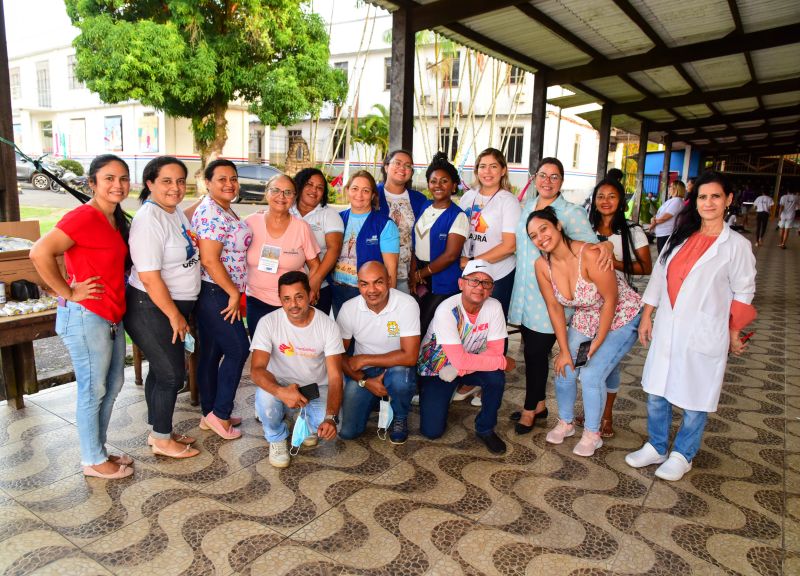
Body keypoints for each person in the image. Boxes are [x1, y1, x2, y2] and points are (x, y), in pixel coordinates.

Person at [626, 171, 757, 481]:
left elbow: (744, 291)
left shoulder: (736, 245)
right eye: (702, 197)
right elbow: (659, 276)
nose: (708, 202)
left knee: (695, 396)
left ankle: (684, 454)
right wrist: (647, 314)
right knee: (656, 390)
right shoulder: (680, 235)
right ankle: (657, 445)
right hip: (669, 326)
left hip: (705, 329)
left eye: (715, 196)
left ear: (728, 201)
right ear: (694, 201)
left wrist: (734, 332)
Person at [30, 154, 134, 479]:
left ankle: (98, 449)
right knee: (93, 389)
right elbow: (40, 252)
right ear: (92, 183)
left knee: (114, 383)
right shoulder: (84, 217)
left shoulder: (115, 220)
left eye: (122, 178)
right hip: (86, 315)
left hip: (111, 315)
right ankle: (91, 458)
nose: (117, 185)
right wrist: (68, 291)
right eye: (109, 178)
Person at [507, 157, 611, 435]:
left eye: (554, 177)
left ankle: (530, 410)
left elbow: (594, 246)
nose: (547, 181)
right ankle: (539, 403)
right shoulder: (526, 207)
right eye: (543, 175)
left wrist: (609, 246)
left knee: (536, 352)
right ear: (535, 177)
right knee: (532, 353)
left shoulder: (571, 212)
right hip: (526, 292)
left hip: (552, 296)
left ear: (562, 181)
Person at [529, 207, 642, 456]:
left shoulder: (590, 254)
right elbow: (554, 308)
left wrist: (596, 344)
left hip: (621, 316)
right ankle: (566, 422)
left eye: (544, 228)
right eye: (534, 235)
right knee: (565, 367)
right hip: (587, 317)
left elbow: (611, 300)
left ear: (558, 225)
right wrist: (564, 350)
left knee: (591, 375)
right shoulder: (541, 265)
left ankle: (593, 433)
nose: (541, 237)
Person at [124, 156, 201, 458]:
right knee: (172, 374)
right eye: (167, 181)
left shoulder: (174, 211)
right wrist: (174, 315)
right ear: (150, 184)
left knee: (160, 370)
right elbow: (149, 276)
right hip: (151, 306)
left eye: (181, 181)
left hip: (170, 306)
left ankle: (159, 428)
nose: (176, 187)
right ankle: (161, 438)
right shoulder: (148, 220)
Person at [418, 260, 515, 454]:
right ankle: (445, 390)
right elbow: (495, 358)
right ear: (461, 284)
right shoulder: (447, 310)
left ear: (491, 289)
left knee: (496, 377)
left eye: (486, 283)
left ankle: (486, 428)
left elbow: (496, 351)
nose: (479, 287)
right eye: (474, 281)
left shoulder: (494, 307)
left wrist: (459, 368)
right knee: (432, 431)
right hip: (437, 369)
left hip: (461, 364)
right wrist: (503, 362)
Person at [250, 271, 345, 468]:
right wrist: (281, 392)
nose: (293, 304)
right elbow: (257, 370)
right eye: (286, 299)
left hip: (316, 387)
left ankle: (307, 422)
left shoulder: (327, 326)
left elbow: (336, 377)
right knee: (266, 402)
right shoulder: (268, 323)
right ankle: (276, 436)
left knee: (334, 424)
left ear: (310, 295)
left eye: (299, 297)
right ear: (280, 300)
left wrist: (330, 417)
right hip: (281, 384)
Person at [582, 177, 652, 437]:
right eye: (601, 196)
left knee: (608, 363)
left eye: (612, 196)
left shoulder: (632, 231)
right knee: (592, 359)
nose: (606, 201)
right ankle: (593, 411)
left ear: (621, 200)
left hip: (621, 306)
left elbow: (646, 268)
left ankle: (606, 415)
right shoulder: (586, 228)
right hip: (588, 306)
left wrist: (615, 263)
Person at [453, 148, 520, 406]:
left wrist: (473, 263)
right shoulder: (467, 197)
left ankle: (490, 379)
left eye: (494, 166)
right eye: (483, 166)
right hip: (469, 275)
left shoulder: (507, 201)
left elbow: (509, 245)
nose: (488, 172)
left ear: (503, 170)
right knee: (469, 328)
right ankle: (470, 377)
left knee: (493, 329)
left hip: (498, 274)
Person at [193, 159, 253, 440]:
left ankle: (212, 413)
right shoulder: (211, 213)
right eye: (221, 179)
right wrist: (232, 291)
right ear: (208, 182)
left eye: (233, 178)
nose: (229, 184)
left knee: (212, 352)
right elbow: (209, 259)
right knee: (239, 348)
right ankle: (220, 413)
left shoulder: (222, 209)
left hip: (219, 291)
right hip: (217, 292)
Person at [337, 261, 420, 444]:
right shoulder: (349, 308)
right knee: (349, 432)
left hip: (396, 367)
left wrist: (364, 359)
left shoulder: (406, 304)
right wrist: (365, 381)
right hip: (364, 373)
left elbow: (410, 356)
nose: (371, 290)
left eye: (378, 282)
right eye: (364, 284)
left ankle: (400, 416)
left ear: (389, 281)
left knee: (400, 379)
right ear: (358, 284)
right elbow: (339, 356)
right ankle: (377, 398)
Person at [245, 174, 321, 336]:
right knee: (261, 352)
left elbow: (315, 265)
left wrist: (311, 290)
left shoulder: (301, 227)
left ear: (294, 197)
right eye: (276, 190)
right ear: (266, 193)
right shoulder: (250, 223)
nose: (281, 196)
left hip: (292, 304)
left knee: (290, 353)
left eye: (288, 192)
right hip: (256, 301)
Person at [409, 152, 468, 336]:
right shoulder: (424, 206)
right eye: (434, 181)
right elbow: (415, 244)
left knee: (426, 326)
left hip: (442, 281)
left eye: (444, 181)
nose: (438, 185)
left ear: (453, 186)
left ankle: (423, 364)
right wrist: (413, 272)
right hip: (419, 275)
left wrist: (420, 274)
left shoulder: (458, 216)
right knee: (414, 323)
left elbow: (451, 255)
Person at [332, 170, 400, 316]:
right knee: (342, 336)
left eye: (366, 190)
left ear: (373, 195)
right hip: (337, 290)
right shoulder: (337, 219)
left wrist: (390, 302)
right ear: (347, 191)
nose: (359, 195)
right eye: (355, 189)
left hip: (368, 293)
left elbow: (391, 268)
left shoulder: (385, 225)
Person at [290, 168, 344, 314]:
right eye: (309, 184)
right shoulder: (287, 209)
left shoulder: (329, 214)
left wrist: (316, 280)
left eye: (320, 187)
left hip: (319, 286)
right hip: (286, 288)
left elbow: (334, 249)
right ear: (299, 185)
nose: (314, 190)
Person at [377, 149, 430, 294]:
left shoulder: (419, 200)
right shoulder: (373, 194)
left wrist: (418, 271)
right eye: (398, 163)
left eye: (407, 166)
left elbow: (423, 237)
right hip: (377, 273)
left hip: (407, 275)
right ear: (386, 166)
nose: (402, 168)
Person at [649, 180, 686, 253]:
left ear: (676, 188)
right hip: (662, 233)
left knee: (663, 256)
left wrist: (653, 222)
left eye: (670, 186)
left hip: (666, 234)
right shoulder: (672, 200)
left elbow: (662, 219)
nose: (669, 188)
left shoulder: (676, 201)